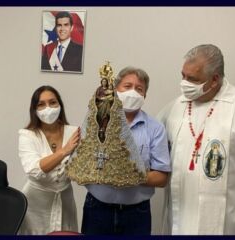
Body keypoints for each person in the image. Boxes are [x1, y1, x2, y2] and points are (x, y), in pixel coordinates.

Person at [157, 44, 235, 235]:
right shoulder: (174, 107)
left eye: (193, 79)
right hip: (177, 223)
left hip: (226, 227)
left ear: (214, 79)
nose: (184, 84)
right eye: (183, 76)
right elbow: (148, 142)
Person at [81, 67, 172, 235]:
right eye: (127, 86)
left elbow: (161, 177)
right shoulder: (94, 120)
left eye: (139, 89)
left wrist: (127, 175)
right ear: (115, 90)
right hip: (97, 210)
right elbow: (82, 160)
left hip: (137, 214)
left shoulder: (155, 128)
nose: (133, 92)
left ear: (145, 95)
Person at [17, 85, 81, 234]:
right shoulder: (27, 135)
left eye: (53, 102)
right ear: (34, 110)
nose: (48, 108)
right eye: (41, 104)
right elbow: (34, 169)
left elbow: (82, 165)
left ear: (60, 105)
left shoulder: (74, 132)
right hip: (36, 203)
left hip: (65, 201)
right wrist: (64, 151)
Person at [95, 78, 114, 142]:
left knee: (106, 116)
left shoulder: (109, 89)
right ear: (101, 82)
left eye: (105, 81)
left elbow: (112, 97)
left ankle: (103, 129)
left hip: (107, 105)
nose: (104, 83)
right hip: (100, 105)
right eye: (103, 81)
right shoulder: (99, 89)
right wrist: (101, 98)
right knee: (100, 116)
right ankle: (100, 128)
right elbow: (96, 96)